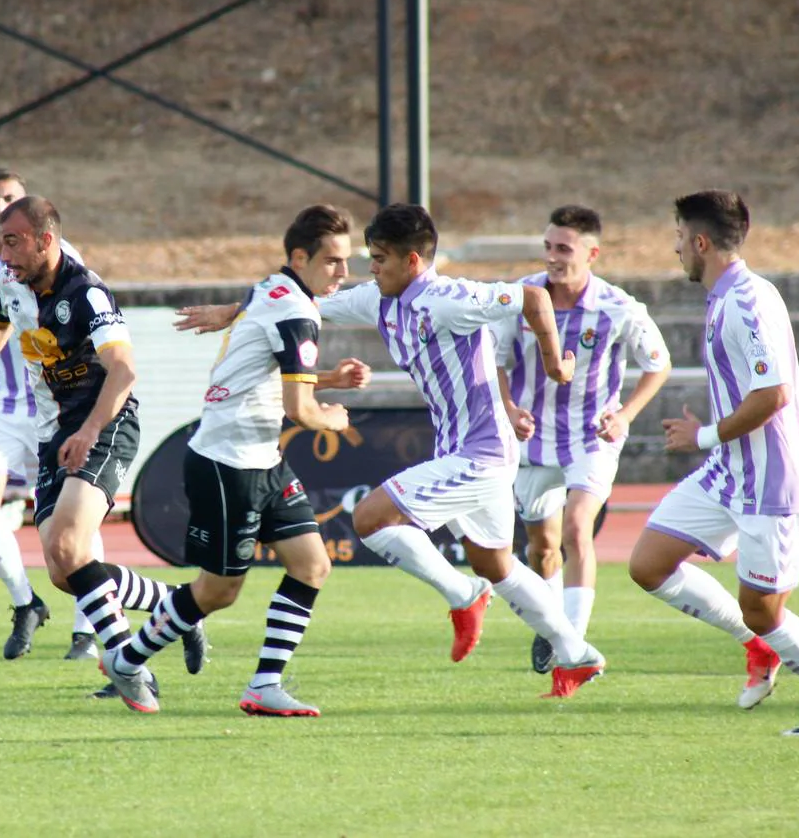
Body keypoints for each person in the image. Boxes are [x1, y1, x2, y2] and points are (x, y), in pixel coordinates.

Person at [177, 203, 607, 699]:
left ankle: (464, 595)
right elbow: (299, 301)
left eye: (380, 258)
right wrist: (231, 312)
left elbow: (534, 296)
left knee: (370, 519)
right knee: (495, 563)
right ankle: (577, 654)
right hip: (461, 449)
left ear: (413, 262)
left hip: (483, 454)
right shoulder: (377, 298)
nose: (370, 268)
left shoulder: (450, 298)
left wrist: (556, 366)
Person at [103, 205, 370, 716]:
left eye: (346, 261)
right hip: (228, 465)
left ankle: (264, 686)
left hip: (261, 459)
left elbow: (266, 365)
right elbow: (300, 410)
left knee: (312, 565)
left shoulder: (274, 288)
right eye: (334, 261)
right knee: (219, 592)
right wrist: (334, 417)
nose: (343, 273)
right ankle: (127, 659)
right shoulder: (295, 312)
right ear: (299, 257)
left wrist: (328, 378)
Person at [0, 195, 203, 707]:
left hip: (105, 424)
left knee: (67, 547)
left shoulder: (87, 294)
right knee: (64, 572)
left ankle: (130, 668)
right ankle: (174, 606)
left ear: (46, 241)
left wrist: (89, 431)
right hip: (55, 433)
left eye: (12, 241)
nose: (3, 251)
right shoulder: (10, 282)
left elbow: (123, 371)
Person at [628, 190, 799, 735]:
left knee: (764, 610)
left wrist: (701, 433)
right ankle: (758, 648)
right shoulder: (725, 297)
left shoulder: (746, 301)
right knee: (648, 564)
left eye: (679, 238)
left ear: (701, 242)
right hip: (730, 474)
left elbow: (772, 394)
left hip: (771, 482)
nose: (675, 248)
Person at [493, 205, 672, 674]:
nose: (553, 257)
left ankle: (572, 642)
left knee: (577, 527)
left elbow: (659, 363)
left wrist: (625, 415)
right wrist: (510, 410)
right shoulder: (523, 298)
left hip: (592, 437)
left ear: (592, 254)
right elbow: (491, 361)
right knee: (542, 546)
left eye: (564, 249)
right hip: (534, 440)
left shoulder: (618, 307)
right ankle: (551, 626)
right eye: (548, 247)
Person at [0, 167, 104, 661]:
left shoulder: (61, 259)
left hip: (55, 406)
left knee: (74, 523)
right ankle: (26, 603)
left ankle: (87, 628)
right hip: (0, 401)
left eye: (8, 199)